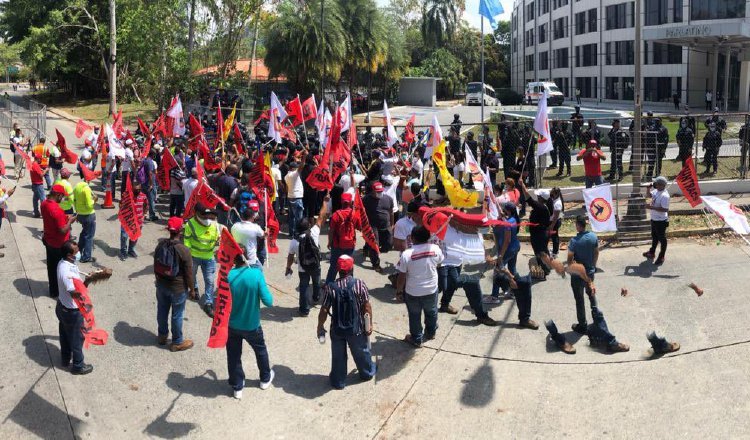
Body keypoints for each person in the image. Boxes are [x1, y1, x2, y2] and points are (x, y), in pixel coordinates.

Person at [317, 255, 376, 390]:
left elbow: (324, 310)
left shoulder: (330, 287)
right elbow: (366, 307)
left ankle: (338, 381)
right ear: (352, 268)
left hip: (337, 329)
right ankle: (366, 373)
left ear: (338, 269)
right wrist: (369, 324)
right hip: (356, 329)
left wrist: (320, 326)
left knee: (338, 356)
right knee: (361, 352)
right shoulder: (359, 284)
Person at [226, 254, 275, 399]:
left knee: (233, 356)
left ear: (234, 259)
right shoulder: (256, 274)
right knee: (260, 351)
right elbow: (269, 301)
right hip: (252, 325)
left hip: (232, 325)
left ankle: (237, 387)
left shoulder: (228, 276)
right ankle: (265, 379)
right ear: (247, 257)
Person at [396, 225, 444, 348]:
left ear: (412, 238)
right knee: (431, 312)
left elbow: (402, 276)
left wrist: (399, 291)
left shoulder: (406, 254)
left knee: (414, 315)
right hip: (431, 289)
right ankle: (431, 333)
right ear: (428, 237)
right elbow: (439, 263)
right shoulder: (435, 249)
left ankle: (417, 339)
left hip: (413, 292)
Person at [154, 217, 195, 351]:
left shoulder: (160, 245)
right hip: (178, 288)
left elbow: (155, 265)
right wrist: (192, 289)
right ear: (180, 231)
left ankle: (162, 335)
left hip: (161, 285)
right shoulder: (184, 250)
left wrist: (158, 280)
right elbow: (189, 273)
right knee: (177, 314)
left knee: (162, 310)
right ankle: (177, 341)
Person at [285, 197, 329, 317]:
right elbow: (321, 217)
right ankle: (316, 297)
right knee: (316, 282)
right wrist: (325, 202)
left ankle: (304, 310)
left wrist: (288, 267)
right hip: (315, 265)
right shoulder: (314, 232)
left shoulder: (294, 241)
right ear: (308, 226)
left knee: (304, 287)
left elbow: (290, 256)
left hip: (302, 268)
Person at [55, 240, 94, 374]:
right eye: (76, 252)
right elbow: (73, 292)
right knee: (77, 338)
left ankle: (65, 359)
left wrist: (86, 281)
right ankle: (78, 366)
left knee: (65, 335)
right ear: (69, 255)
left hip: (62, 307)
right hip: (71, 312)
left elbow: (76, 287)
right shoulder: (66, 272)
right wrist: (86, 290)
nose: (79, 253)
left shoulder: (67, 263)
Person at [184, 204, 221, 317]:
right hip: (194, 256)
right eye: (204, 216)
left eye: (210, 216)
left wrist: (218, 240)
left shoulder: (215, 225)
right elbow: (187, 240)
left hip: (209, 258)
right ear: (197, 214)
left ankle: (208, 303)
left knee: (209, 281)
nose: (207, 219)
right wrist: (188, 255)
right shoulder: (190, 224)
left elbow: (217, 237)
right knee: (192, 275)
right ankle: (194, 288)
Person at [42, 184, 76, 298]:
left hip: (48, 241)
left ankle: (53, 291)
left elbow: (53, 220)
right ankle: (63, 293)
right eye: (62, 196)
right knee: (62, 270)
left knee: (51, 268)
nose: (62, 199)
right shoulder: (56, 209)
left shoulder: (44, 203)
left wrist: (65, 218)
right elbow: (62, 230)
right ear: (58, 194)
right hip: (59, 244)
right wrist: (70, 221)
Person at [485, 202, 522, 303]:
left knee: (497, 272)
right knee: (512, 269)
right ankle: (513, 291)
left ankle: (494, 296)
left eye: (504, 209)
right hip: (515, 247)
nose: (502, 210)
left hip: (507, 250)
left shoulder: (507, 224)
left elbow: (507, 240)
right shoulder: (513, 219)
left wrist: (501, 255)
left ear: (508, 211)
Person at [519, 181, 552, 277]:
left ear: (541, 198)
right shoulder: (544, 206)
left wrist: (523, 185)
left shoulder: (540, 207)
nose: (537, 197)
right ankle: (547, 264)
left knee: (539, 253)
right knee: (544, 250)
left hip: (538, 235)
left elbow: (529, 199)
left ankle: (544, 271)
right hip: (542, 233)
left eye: (538, 196)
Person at [326, 192, 361, 283]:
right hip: (350, 244)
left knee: (334, 266)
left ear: (341, 201)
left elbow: (331, 230)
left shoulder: (336, 215)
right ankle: (350, 285)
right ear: (350, 202)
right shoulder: (354, 214)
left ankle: (328, 285)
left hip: (337, 245)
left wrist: (329, 242)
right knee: (348, 265)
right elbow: (359, 227)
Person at [362, 182, 394, 273]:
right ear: (372, 191)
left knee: (389, 243)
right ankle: (376, 263)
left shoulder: (388, 199)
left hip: (386, 225)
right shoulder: (366, 199)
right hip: (373, 226)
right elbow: (360, 211)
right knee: (374, 244)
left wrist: (392, 224)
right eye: (377, 191)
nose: (379, 193)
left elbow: (391, 212)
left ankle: (370, 248)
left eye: (381, 191)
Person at [643, 176, 670, 265]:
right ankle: (652, 252)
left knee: (662, 239)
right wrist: (648, 189)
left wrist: (651, 207)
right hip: (654, 218)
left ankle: (661, 256)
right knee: (654, 236)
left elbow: (665, 209)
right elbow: (649, 195)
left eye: (656, 183)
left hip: (661, 221)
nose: (654, 184)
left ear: (661, 185)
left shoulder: (664, 196)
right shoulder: (657, 191)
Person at [231, 199, 265, 268]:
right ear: (252, 216)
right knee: (259, 274)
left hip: (239, 259)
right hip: (252, 260)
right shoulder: (255, 227)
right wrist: (266, 233)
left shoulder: (234, 226)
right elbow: (263, 235)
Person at [120, 182, 148, 260]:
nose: (138, 191)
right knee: (124, 236)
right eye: (136, 190)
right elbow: (121, 204)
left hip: (138, 221)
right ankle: (123, 251)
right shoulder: (127, 195)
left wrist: (144, 214)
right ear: (132, 189)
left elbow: (146, 205)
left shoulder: (143, 196)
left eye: (139, 189)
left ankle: (131, 250)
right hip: (127, 220)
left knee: (135, 237)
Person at [73, 177, 98, 263]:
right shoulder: (86, 188)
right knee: (89, 236)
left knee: (84, 233)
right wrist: (94, 200)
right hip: (89, 215)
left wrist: (77, 212)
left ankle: (79, 251)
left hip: (80, 215)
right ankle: (86, 257)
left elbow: (74, 200)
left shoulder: (76, 187)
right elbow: (89, 205)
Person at [285, 161, 304, 235]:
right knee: (299, 217)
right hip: (297, 197)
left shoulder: (286, 176)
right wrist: (305, 156)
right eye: (296, 167)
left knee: (291, 216)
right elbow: (301, 166)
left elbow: (287, 188)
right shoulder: (294, 174)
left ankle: (291, 232)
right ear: (293, 168)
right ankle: (298, 232)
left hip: (290, 196)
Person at [548, 187, 564, 258]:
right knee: (554, 236)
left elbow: (556, 217)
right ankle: (555, 250)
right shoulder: (555, 199)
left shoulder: (557, 203)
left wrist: (552, 225)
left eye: (552, 193)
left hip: (555, 222)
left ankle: (555, 253)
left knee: (555, 237)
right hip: (554, 221)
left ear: (556, 194)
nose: (551, 194)